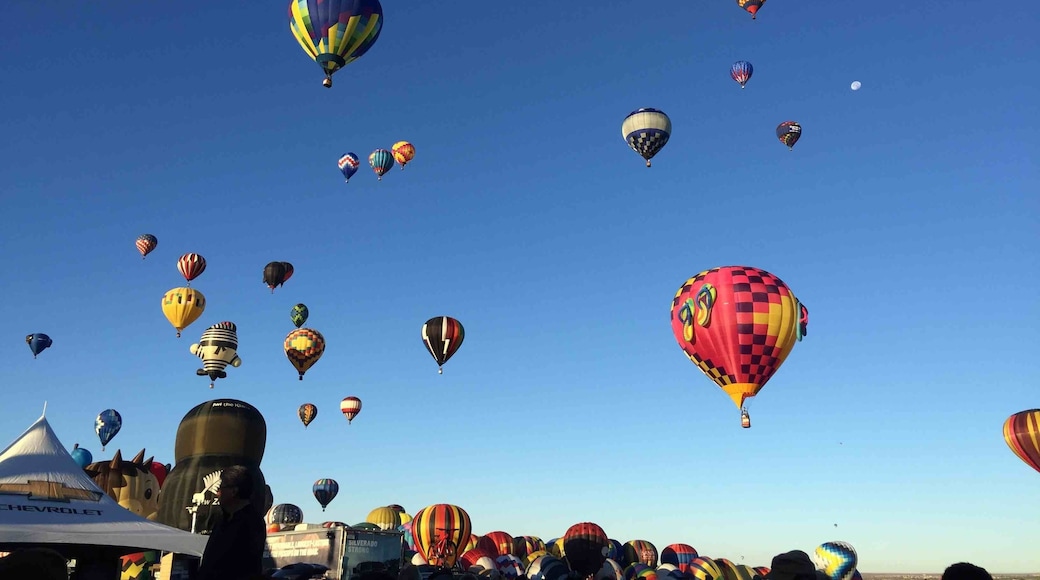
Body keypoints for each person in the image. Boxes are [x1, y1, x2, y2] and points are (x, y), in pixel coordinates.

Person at [197, 465, 267, 580]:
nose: (217, 493)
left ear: (234, 491)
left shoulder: (251, 523)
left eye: (220, 488)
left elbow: (243, 566)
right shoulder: (223, 520)